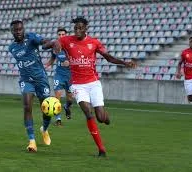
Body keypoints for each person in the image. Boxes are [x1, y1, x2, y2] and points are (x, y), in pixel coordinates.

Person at [49, 17, 136, 157]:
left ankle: (105, 117)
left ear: (85, 29)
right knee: (87, 112)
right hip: (78, 85)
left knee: (101, 117)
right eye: (75, 28)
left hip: (93, 83)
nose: (77, 30)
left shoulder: (94, 42)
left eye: (80, 28)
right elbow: (52, 44)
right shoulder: (66, 40)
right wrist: (54, 45)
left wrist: (124, 63)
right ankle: (101, 149)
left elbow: (108, 57)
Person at [8, 20, 59, 152]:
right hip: (26, 80)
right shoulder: (12, 47)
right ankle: (32, 141)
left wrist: (51, 43)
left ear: (23, 29)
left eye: (20, 29)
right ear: (12, 31)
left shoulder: (31, 38)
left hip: (41, 79)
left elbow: (44, 42)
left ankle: (44, 129)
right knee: (27, 107)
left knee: (46, 109)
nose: (18, 32)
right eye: (15, 30)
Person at [45, 27, 73, 126]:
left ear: (66, 35)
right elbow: (52, 58)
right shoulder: (55, 47)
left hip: (70, 76)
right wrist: (47, 65)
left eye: (63, 34)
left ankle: (66, 106)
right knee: (57, 98)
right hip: (59, 75)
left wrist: (69, 62)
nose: (61, 36)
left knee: (70, 99)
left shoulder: (71, 47)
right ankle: (58, 119)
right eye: (59, 34)